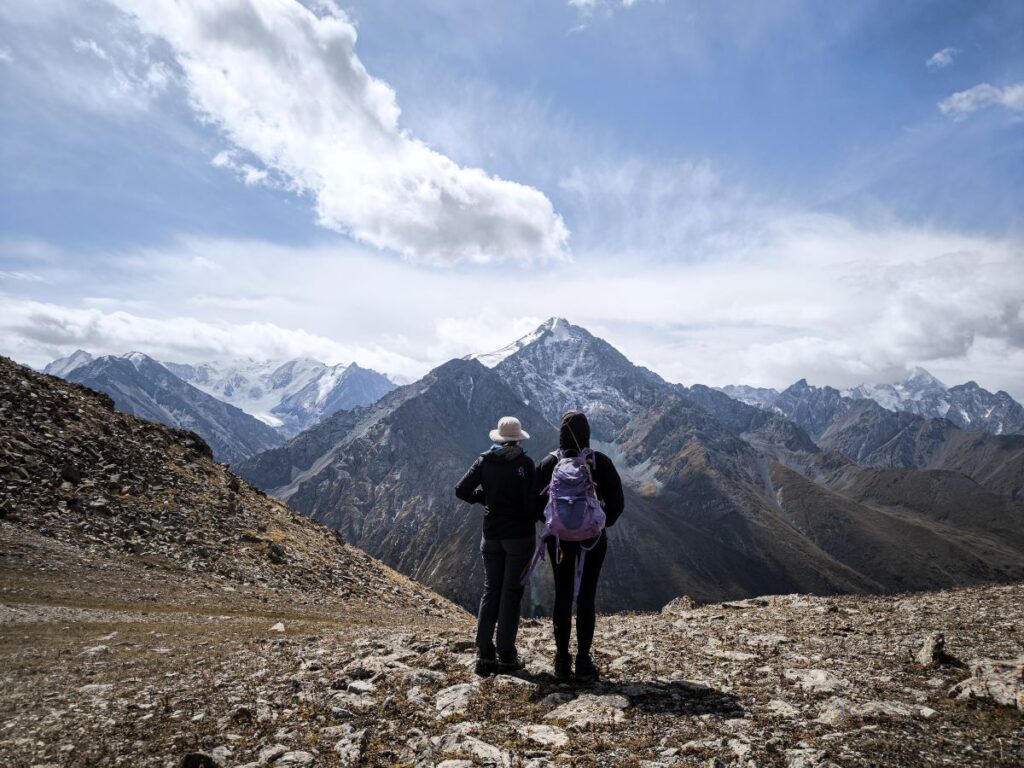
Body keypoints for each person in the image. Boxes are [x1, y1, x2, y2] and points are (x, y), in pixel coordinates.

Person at [534, 411, 623, 681]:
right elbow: (617, 504)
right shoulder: (600, 462)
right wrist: (598, 524)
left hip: (559, 541)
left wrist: (553, 523)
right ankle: (584, 661)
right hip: (593, 541)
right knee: (586, 596)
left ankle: (562, 661)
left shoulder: (549, 463)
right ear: (587, 434)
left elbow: (533, 503)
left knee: (562, 594)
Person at [454, 416, 537, 676]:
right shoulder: (525, 463)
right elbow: (531, 504)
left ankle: (485, 654)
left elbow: (461, 490)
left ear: (499, 438)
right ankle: (507, 656)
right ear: (518, 438)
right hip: (519, 537)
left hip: (491, 536)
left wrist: (485, 499)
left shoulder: (485, 460)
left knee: (491, 591)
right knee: (511, 594)